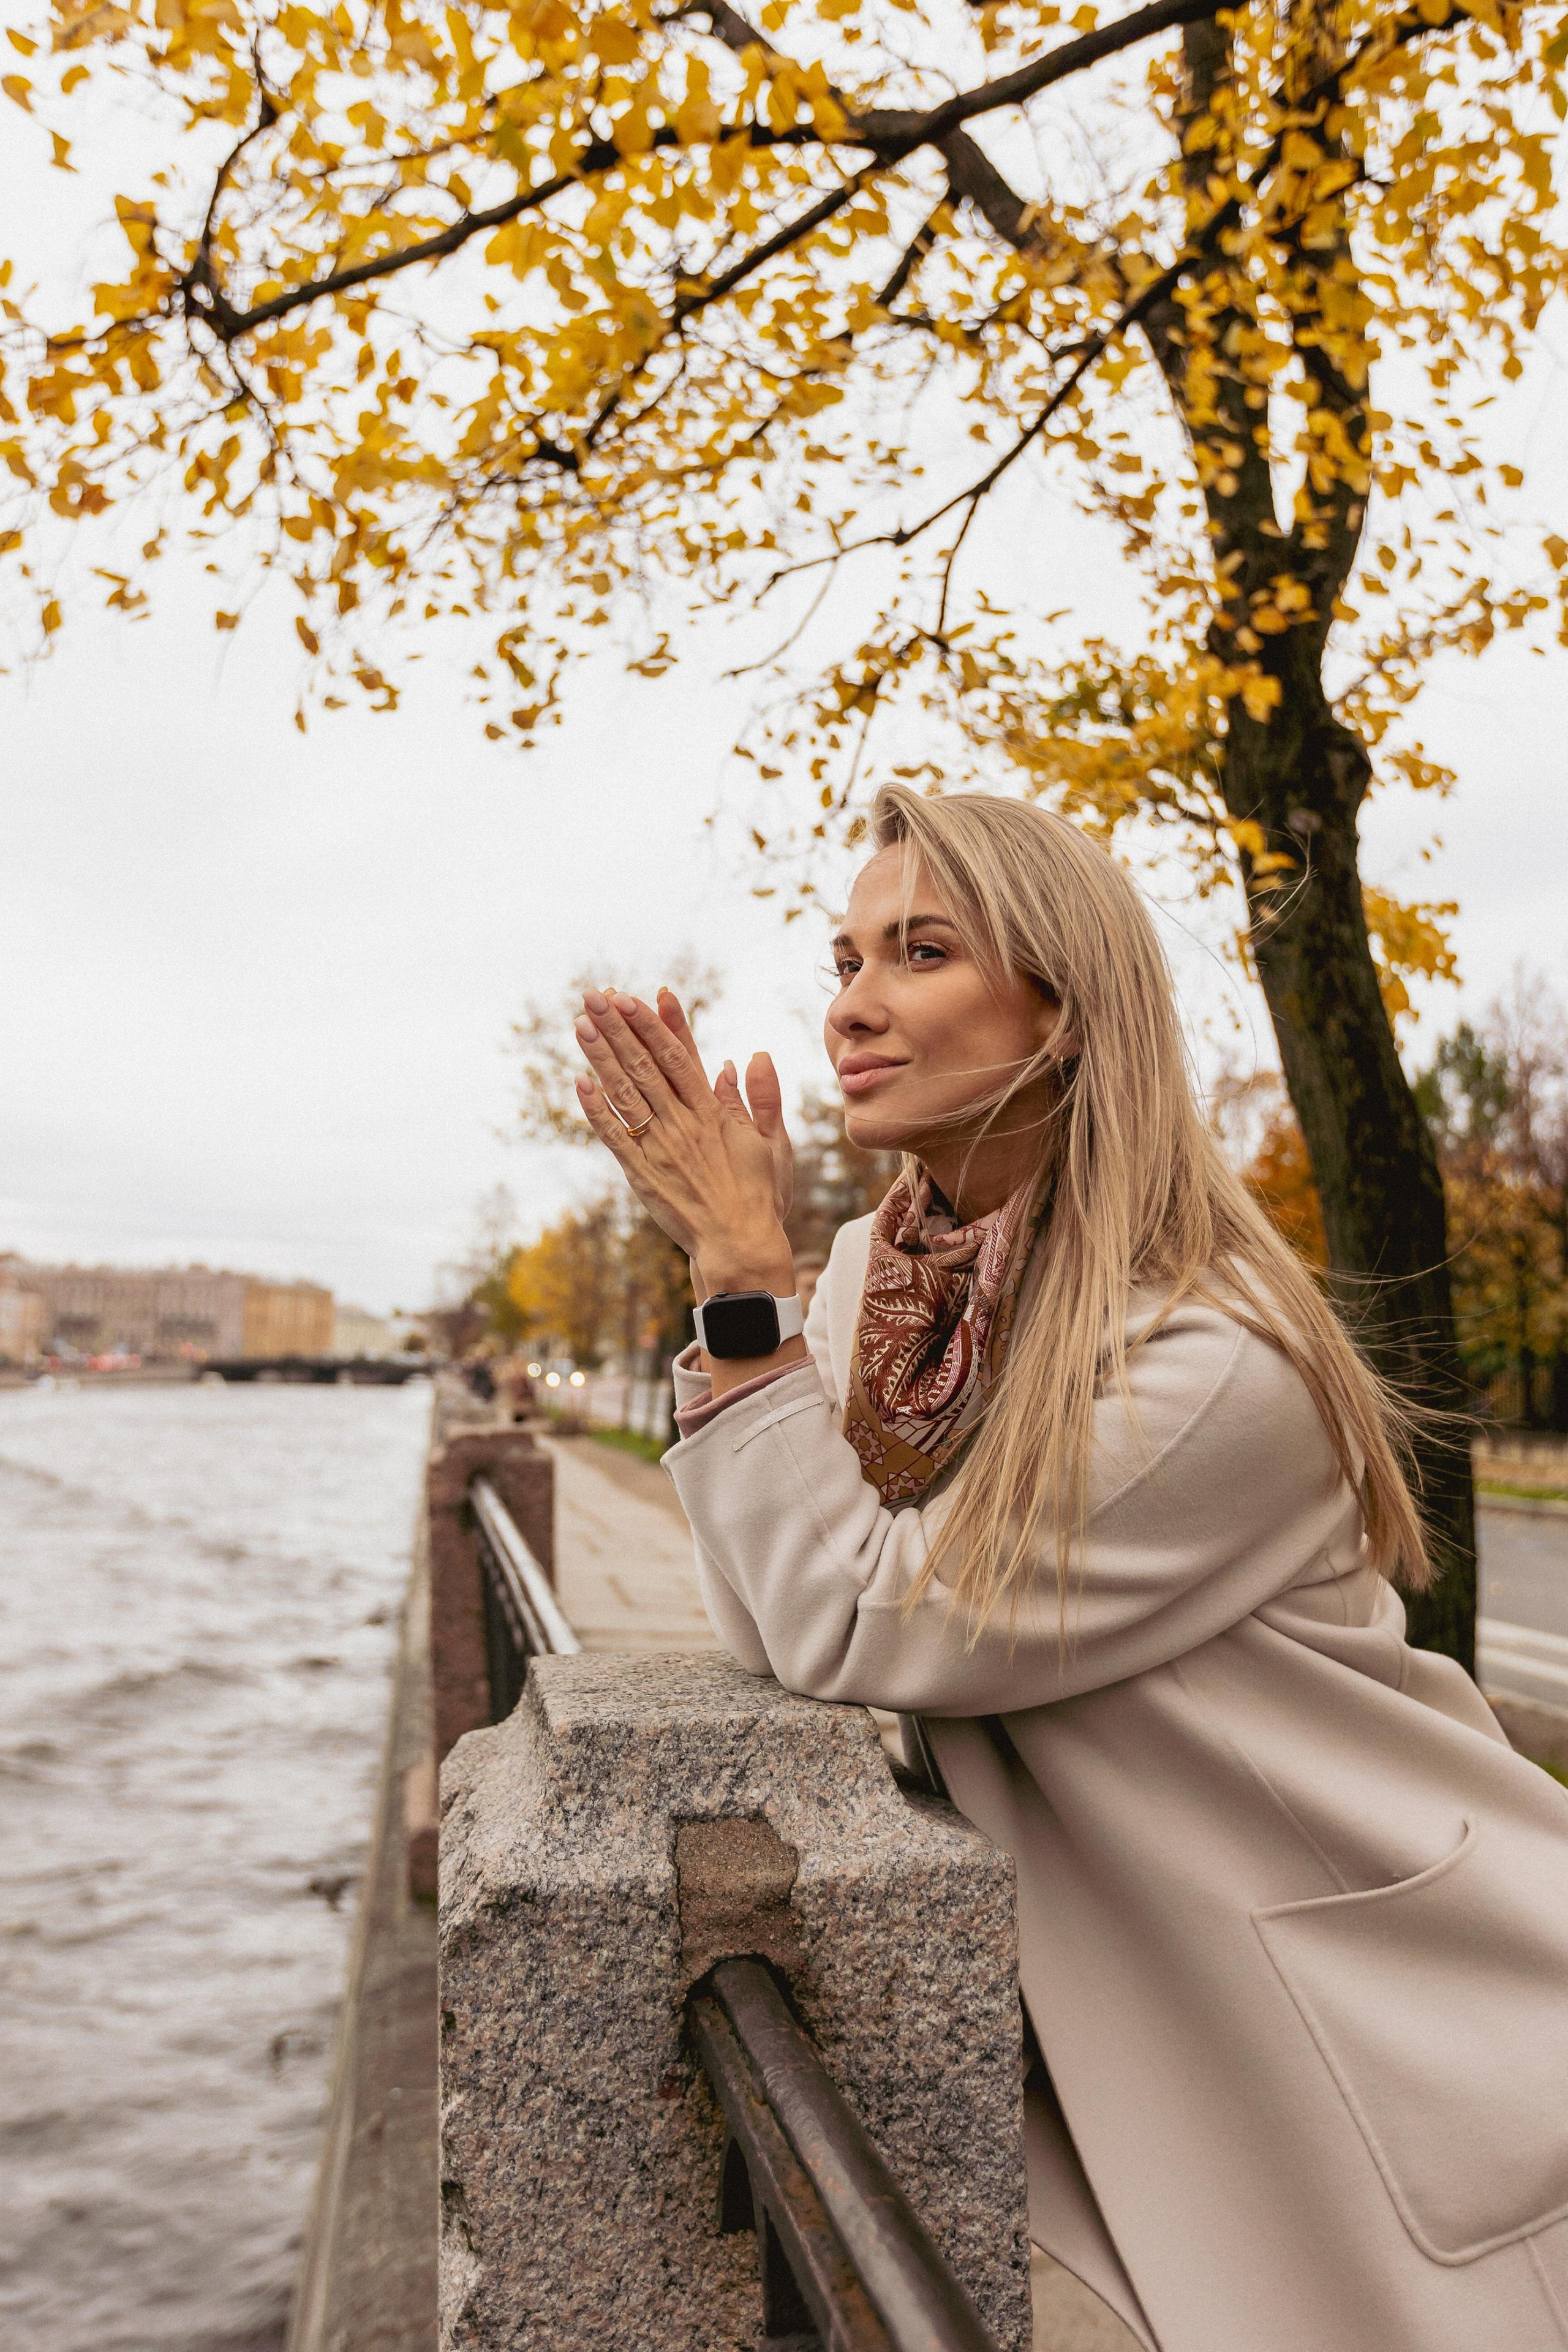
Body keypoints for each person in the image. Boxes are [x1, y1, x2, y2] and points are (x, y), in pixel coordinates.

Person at [571, 785, 1568, 2352]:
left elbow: (863, 1621)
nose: (851, 1005)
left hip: (1382, 2029)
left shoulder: (1218, 1356)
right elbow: (770, 1613)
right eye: (843, 958)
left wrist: (735, 1287)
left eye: (919, 952)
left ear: (1063, 1008)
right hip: (1121, 2032)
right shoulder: (871, 1296)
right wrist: (754, 1303)